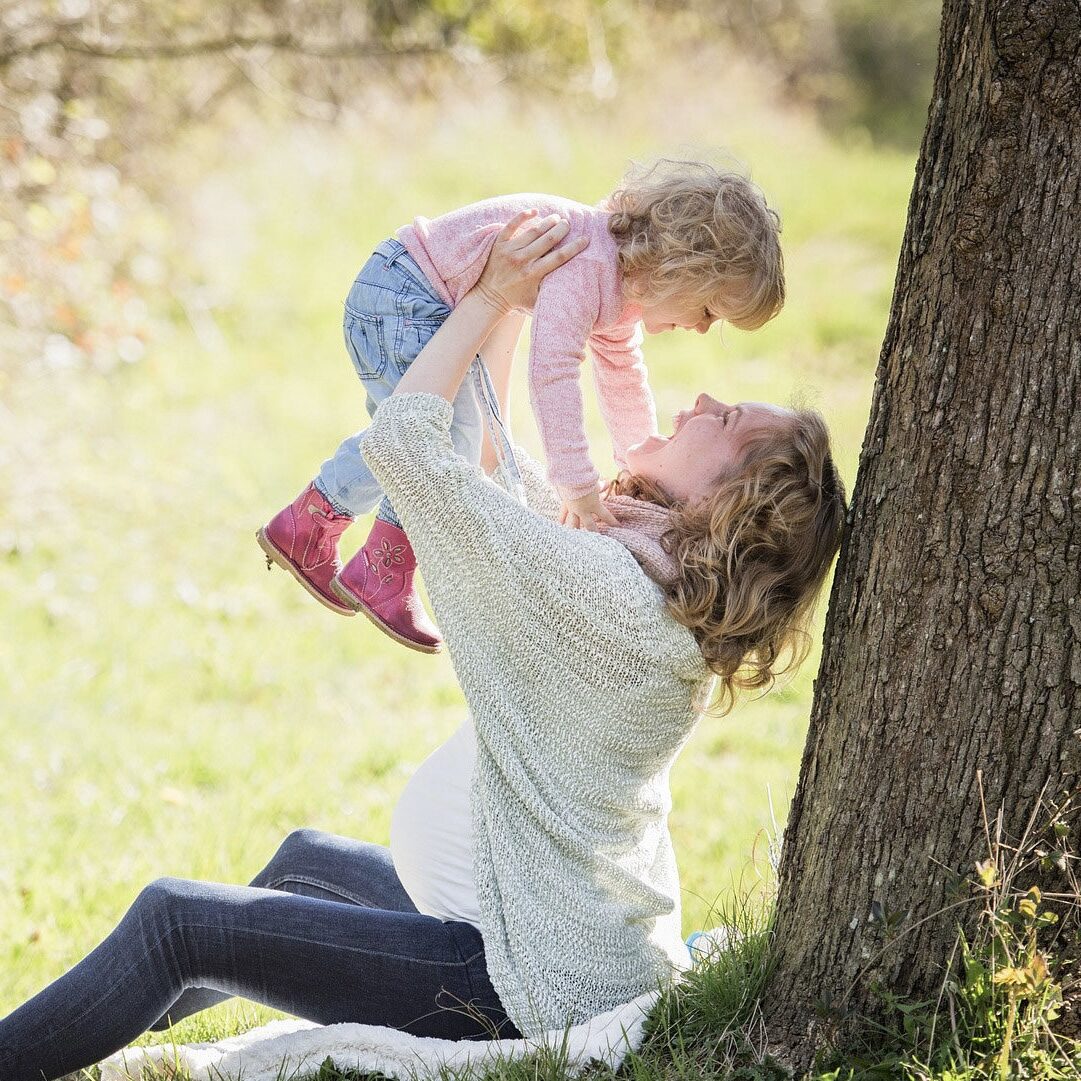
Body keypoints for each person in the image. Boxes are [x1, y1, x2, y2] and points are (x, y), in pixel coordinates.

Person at [0, 213, 842, 1081]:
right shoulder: (641, 569)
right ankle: (86, 1034)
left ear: (729, 504)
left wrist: (481, 298)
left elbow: (410, 447)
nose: (701, 399)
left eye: (728, 417)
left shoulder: (612, 598)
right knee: (302, 864)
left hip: (526, 982)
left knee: (178, 921)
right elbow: (497, 474)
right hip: (525, 924)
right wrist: (524, 304)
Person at [257, 158, 785, 654]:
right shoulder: (591, 264)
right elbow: (552, 372)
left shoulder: (621, 287)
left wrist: (636, 463)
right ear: (679, 267)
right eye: (709, 310)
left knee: (431, 432)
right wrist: (577, 485)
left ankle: (311, 525)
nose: (698, 328)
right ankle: (380, 565)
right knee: (434, 437)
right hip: (404, 295)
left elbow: (622, 377)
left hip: (412, 292)